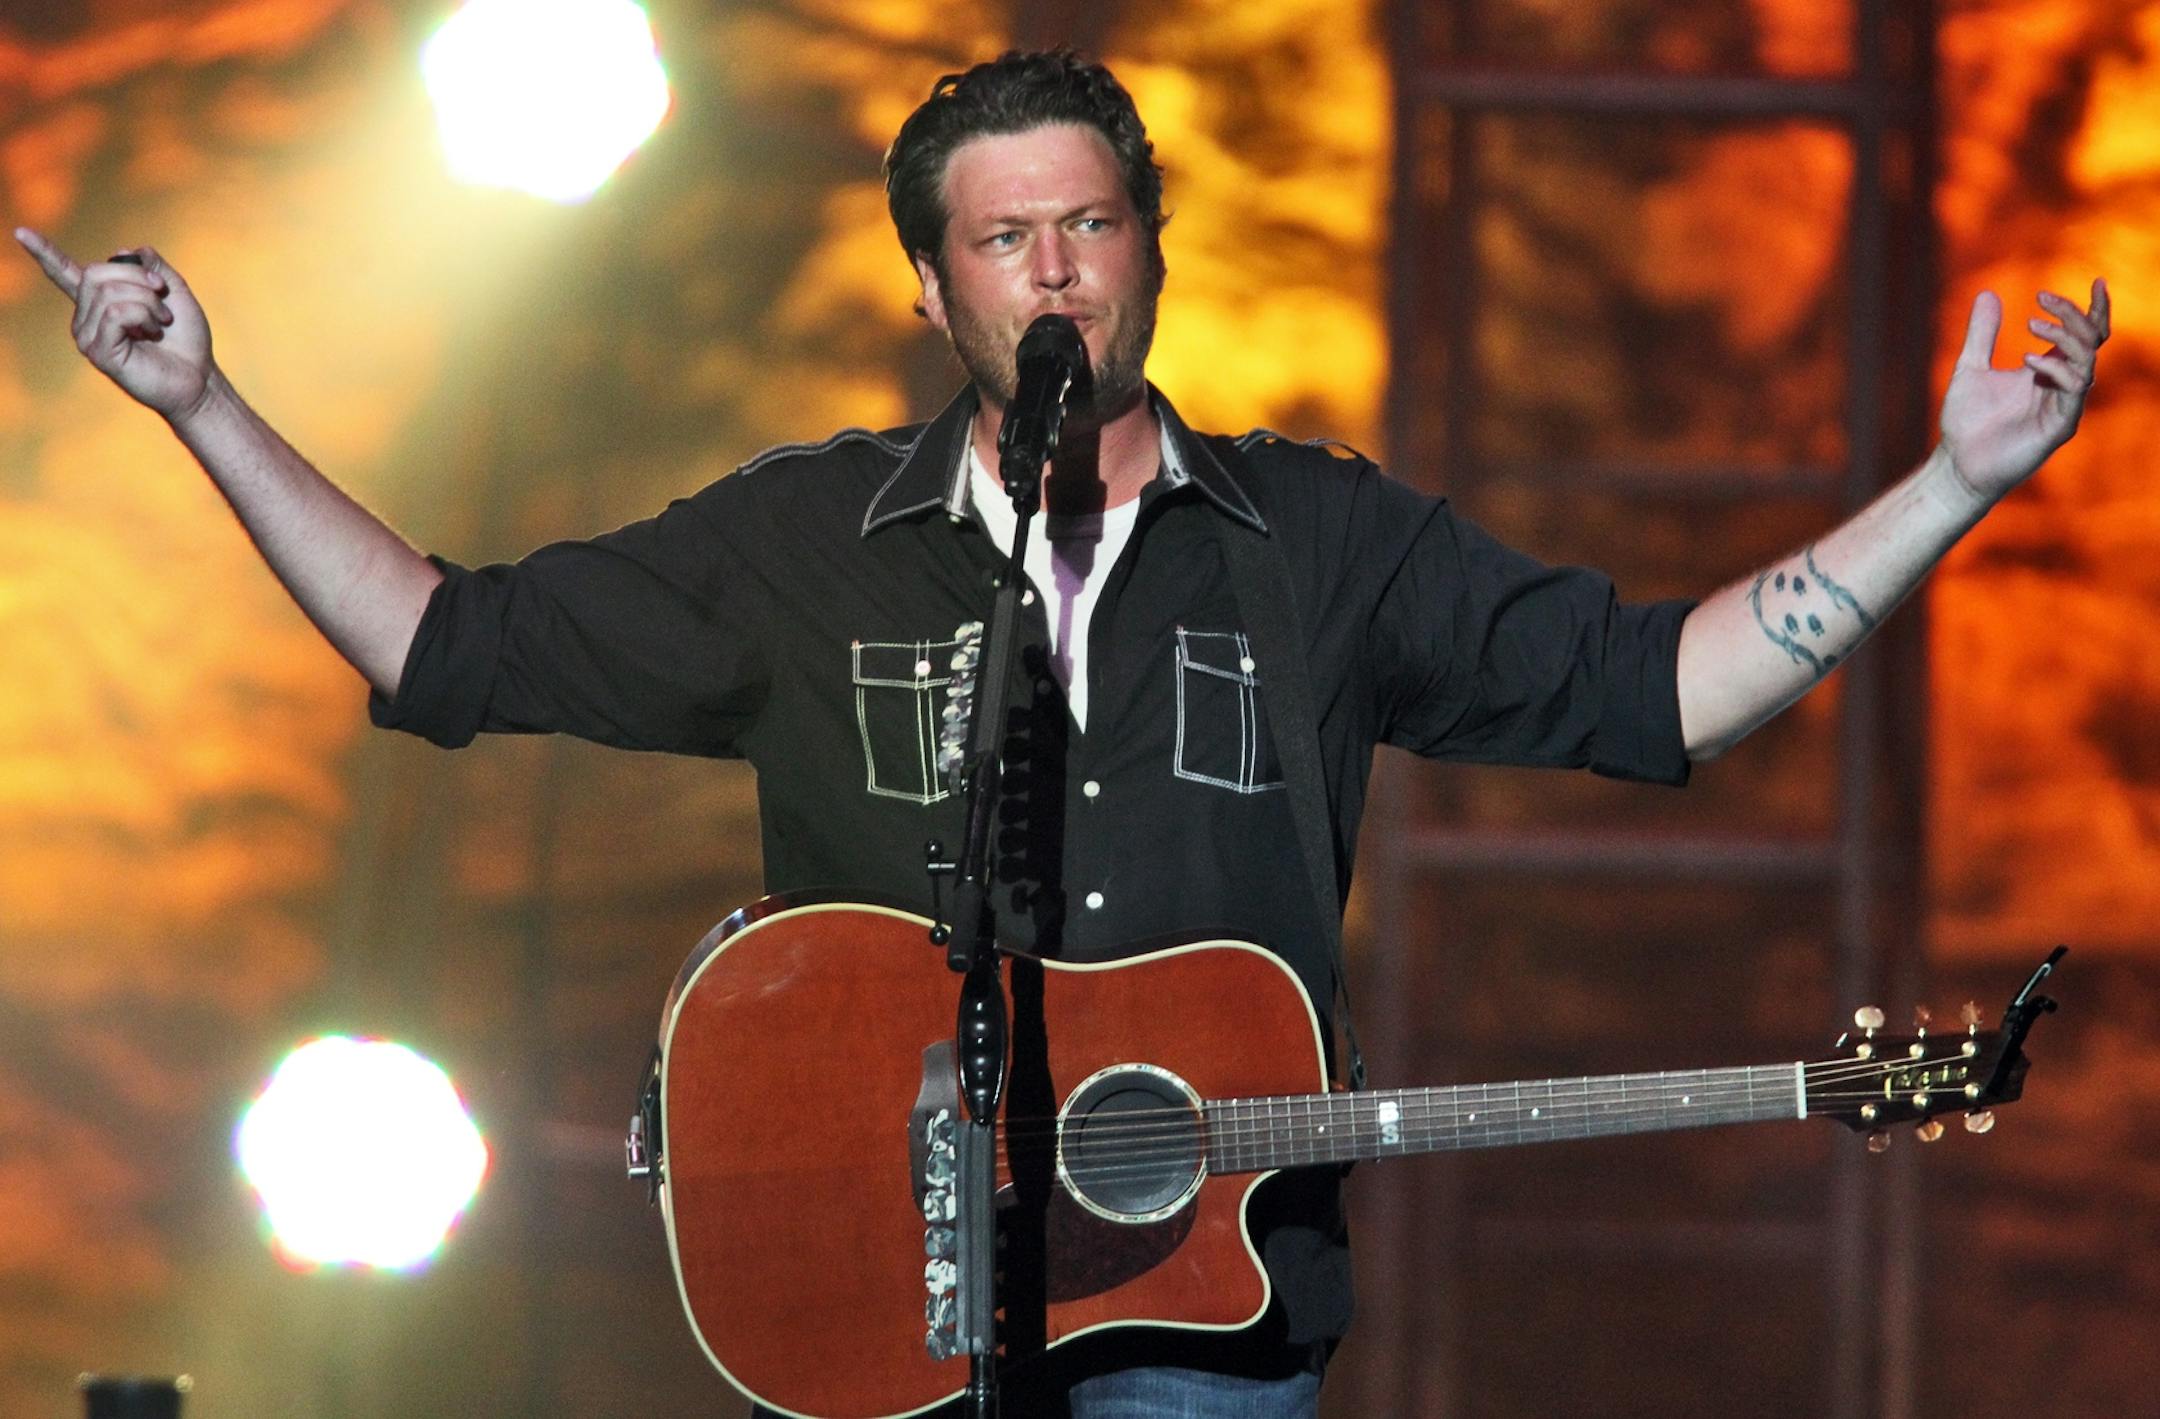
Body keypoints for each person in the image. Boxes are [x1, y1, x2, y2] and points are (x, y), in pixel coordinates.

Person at [15, 47, 2108, 1419]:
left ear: (1151, 254)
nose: (1056, 272)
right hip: (873, 1298)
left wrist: (1958, 485)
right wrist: (206, 407)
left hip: (1206, 1321)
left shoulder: (1324, 540)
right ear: (933, 289)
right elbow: (451, 646)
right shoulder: (803, 541)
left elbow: (1661, 687)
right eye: (1005, 237)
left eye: (1091, 225)